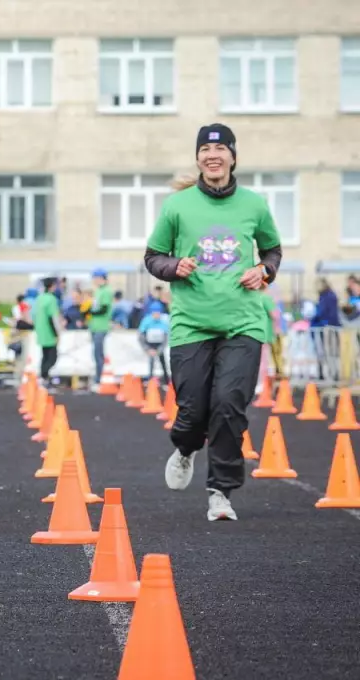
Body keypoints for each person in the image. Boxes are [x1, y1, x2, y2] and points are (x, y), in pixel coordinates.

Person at [144, 123, 282, 522]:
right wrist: (175, 266)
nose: (212, 155)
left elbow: (272, 251)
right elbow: (153, 257)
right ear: (199, 158)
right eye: (205, 149)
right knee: (192, 410)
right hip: (192, 324)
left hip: (243, 322)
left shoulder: (254, 204)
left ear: (233, 157)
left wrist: (264, 271)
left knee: (228, 406)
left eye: (220, 149)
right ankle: (185, 448)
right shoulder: (177, 206)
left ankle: (220, 492)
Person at [32, 277, 63, 389]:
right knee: (52, 357)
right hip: (49, 332)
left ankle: (43, 377)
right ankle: (44, 377)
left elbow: (33, 315)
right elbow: (52, 318)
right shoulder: (51, 299)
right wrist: (56, 333)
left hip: (40, 331)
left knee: (44, 356)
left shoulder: (39, 298)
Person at [87, 268, 113, 391]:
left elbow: (103, 308)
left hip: (101, 327)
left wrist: (91, 311)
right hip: (95, 326)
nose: (94, 280)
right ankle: (97, 378)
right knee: (96, 354)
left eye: (95, 278)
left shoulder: (106, 291)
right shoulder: (98, 291)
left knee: (98, 354)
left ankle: (98, 380)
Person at [137, 301, 170, 383]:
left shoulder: (163, 322)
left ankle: (166, 380)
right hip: (150, 345)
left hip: (159, 345)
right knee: (151, 362)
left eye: (158, 313)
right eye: (154, 313)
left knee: (163, 362)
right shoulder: (146, 321)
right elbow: (141, 337)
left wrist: (159, 350)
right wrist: (147, 349)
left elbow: (166, 339)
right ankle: (150, 379)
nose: (156, 315)